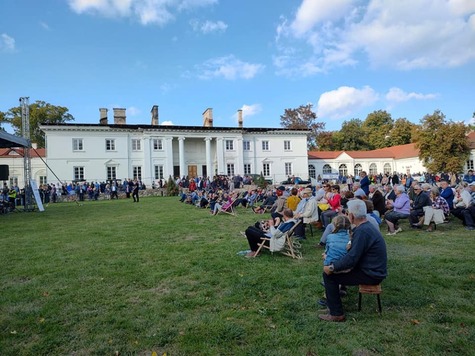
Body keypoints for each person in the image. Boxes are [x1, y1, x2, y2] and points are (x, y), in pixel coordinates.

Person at [319, 199, 387, 322]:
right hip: (372, 269)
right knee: (335, 271)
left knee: (329, 276)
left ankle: (336, 313)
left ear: (351, 215)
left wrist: (332, 267)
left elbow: (352, 259)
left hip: (371, 273)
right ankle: (333, 306)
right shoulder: (365, 228)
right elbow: (354, 255)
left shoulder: (362, 231)